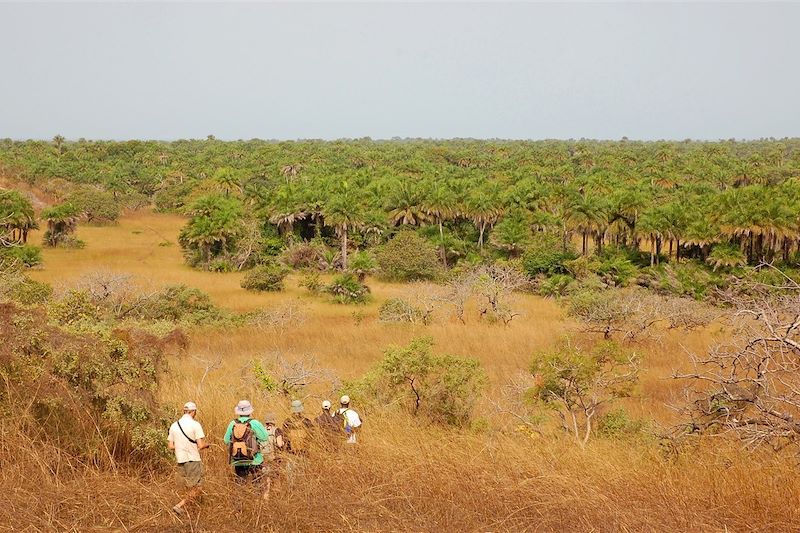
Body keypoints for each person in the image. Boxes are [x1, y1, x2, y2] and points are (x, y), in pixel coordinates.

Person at [167, 401, 208, 516]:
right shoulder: (195, 425)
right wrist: (207, 445)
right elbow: (200, 445)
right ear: (194, 411)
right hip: (192, 459)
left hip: (180, 460)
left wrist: (181, 447)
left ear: (184, 411)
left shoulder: (174, 425)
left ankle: (187, 511)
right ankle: (179, 506)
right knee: (198, 488)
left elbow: (170, 446)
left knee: (187, 487)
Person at [223, 399, 269, 480]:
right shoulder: (254, 423)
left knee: (241, 486)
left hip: (238, 460)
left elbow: (226, 440)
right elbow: (264, 437)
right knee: (257, 487)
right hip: (255, 460)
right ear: (250, 411)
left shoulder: (233, 423)